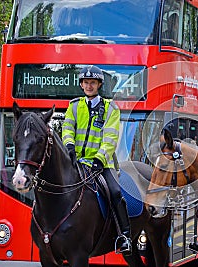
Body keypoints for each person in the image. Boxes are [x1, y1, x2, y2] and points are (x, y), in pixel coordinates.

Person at [62, 65, 132, 255]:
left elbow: (110, 138)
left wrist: (99, 160)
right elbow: (67, 128)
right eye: (86, 82)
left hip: (101, 164)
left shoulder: (111, 108)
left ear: (99, 84)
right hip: (76, 162)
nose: (89, 86)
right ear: (81, 85)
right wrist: (69, 146)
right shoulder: (74, 106)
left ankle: (124, 236)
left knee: (116, 193)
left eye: (93, 82)